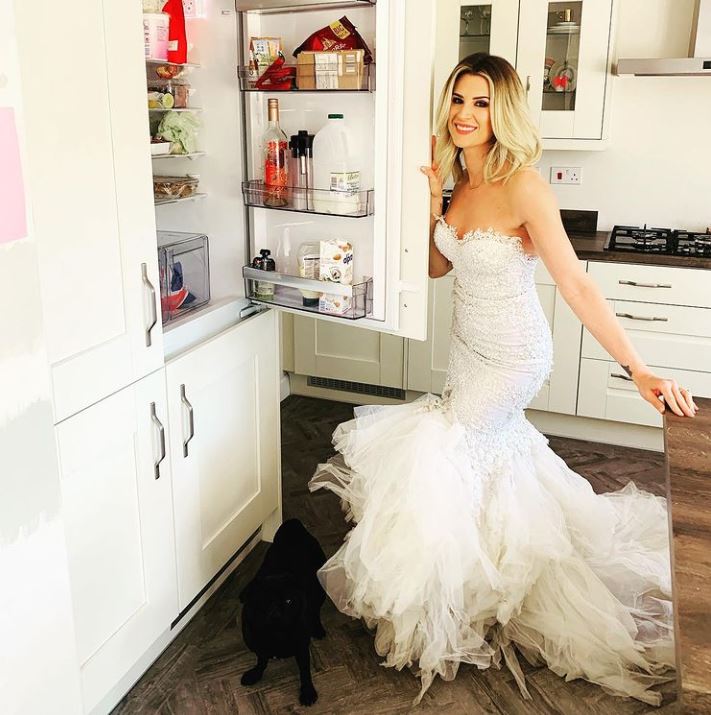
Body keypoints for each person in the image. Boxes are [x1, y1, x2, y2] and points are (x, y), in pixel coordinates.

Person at [308, 53, 697, 707]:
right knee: (485, 463)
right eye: (458, 99)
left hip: (514, 356)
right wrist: (433, 199)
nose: (464, 113)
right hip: (466, 351)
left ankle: (450, 599)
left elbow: (574, 282)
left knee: (442, 449)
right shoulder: (458, 176)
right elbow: (437, 268)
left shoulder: (524, 185)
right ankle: (485, 575)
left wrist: (636, 366)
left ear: (503, 111)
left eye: (480, 102)